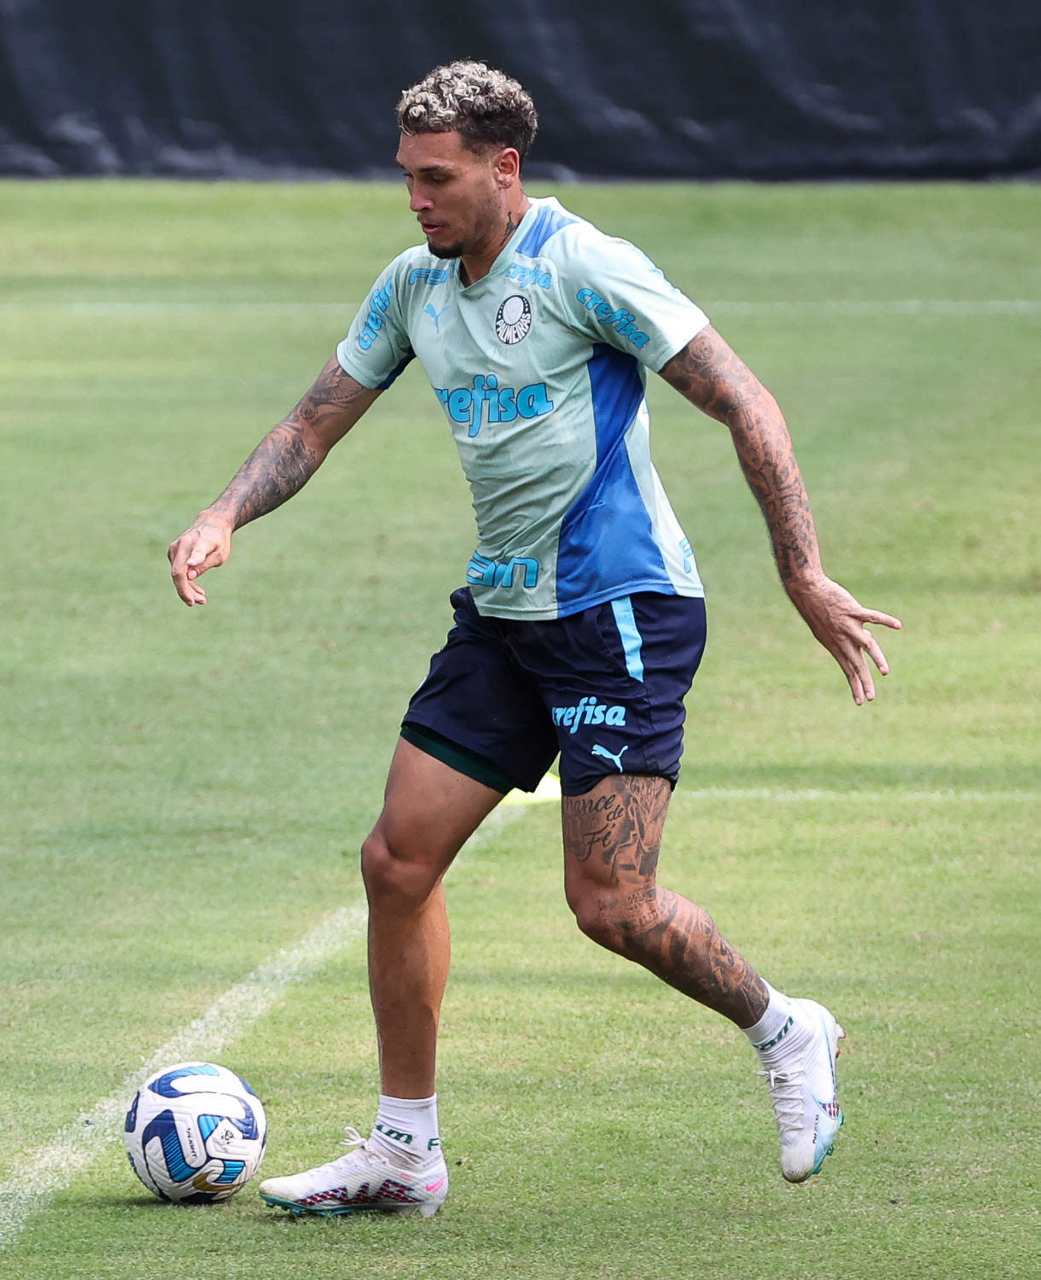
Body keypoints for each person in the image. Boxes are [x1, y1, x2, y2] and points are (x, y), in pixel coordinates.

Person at [168, 60, 900, 1217]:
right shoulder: (413, 285)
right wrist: (223, 512)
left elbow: (743, 398)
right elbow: (314, 421)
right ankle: (406, 1148)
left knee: (611, 902)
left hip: (621, 614)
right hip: (505, 618)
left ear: (504, 168)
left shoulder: (584, 266)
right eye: (407, 177)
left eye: (437, 178)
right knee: (396, 862)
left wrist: (801, 570)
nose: (416, 199)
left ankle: (785, 1027)